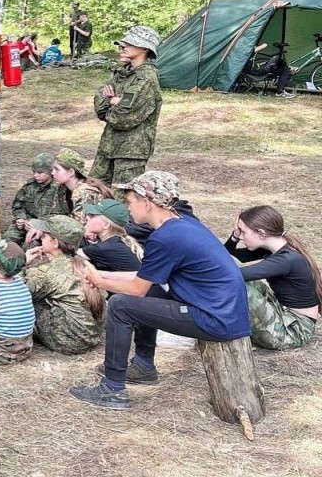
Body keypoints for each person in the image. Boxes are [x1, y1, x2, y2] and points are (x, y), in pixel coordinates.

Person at [70, 171, 252, 411]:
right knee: (150, 292)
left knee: (120, 305)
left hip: (215, 318)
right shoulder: (181, 224)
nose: (128, 208)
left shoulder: (166, 237)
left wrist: (100, 282)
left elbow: (135, 288)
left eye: (130, 201)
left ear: (147, 203)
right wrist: (102, 276)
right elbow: (145, 279)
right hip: (222, 311)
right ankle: (144, 366)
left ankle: (112, 389)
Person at [224, 205, 320, 350]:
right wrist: (234, 237)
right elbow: (227, 257)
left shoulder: (286, 260)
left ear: (261, 233)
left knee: (240, 284)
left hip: (293, 331)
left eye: (243, 232)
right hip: (284, 314)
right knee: (235, 271)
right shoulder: (275, 250)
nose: (241, 236)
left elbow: (232, 276)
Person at [89, 25, 162, 186]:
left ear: (144, 48)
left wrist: (114, 102)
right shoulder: (122, 73)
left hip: (130, 154)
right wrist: (113, 100)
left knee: (122, 202)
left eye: (128, 44)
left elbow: (123, 118)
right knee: (92, 193)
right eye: (123, 44)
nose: (122, 47)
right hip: (108, 147)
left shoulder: (146, 78)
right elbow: (100, 106)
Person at [21, 216, 105, 355]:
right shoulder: (82, 263)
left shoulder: (46, 272)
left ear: (54, 243)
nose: (40, 238)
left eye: (44, 236)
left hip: (68, 341)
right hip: (90, 336)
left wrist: (22, 264)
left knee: (27, 301)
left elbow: (17, 294)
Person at [4, 152, 67, 246]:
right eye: (34, 172)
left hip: (46, 227)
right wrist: (21, 218)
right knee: (8, 239)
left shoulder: (59, 189)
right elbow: (18, 206)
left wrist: (39, 225)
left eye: (40, 172)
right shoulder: (29, 186)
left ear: (50, 172)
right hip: (26, 223)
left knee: (31, 244)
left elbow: (61, 215)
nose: (35, 175)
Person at [48, 147, 113, 225]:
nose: (52, 173)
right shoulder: (63, 188)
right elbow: (55, 216)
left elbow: (79, 226)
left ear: (71, 172)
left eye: (57, 169)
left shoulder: (85, 193)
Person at [78, 199, 143, 274]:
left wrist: (81, 233)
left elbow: (69, 252)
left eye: (92, 216)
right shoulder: (117, 242)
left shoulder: (105, 248)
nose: (87, 217)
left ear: (106, 225)